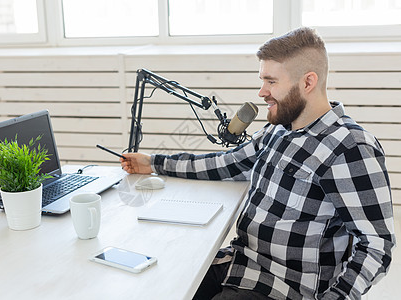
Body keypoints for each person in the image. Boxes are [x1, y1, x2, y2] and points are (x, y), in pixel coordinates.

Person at [120, 27, 396, 300]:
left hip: (284, 286)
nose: (262, 91)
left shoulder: (350, 148)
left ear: (307, 82)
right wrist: (154, 163)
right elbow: (226, 163)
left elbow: (376, 246)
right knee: (157, 283)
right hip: (240, 262)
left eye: (271, 81)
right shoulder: (279, 129)